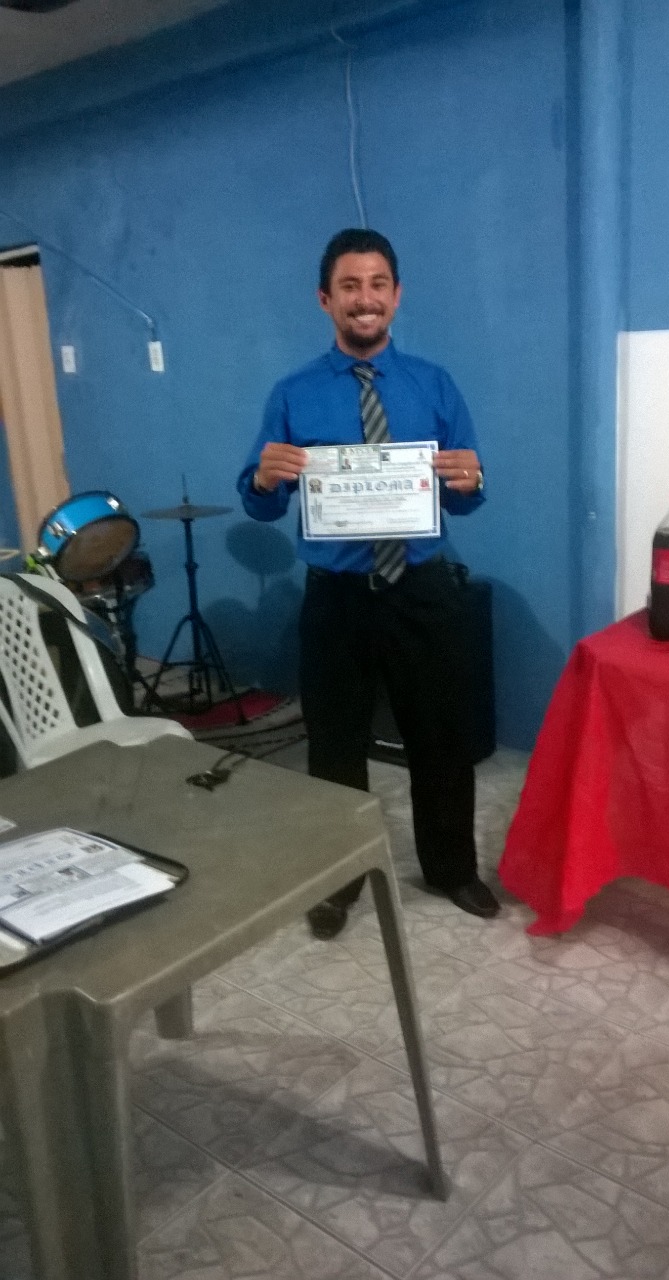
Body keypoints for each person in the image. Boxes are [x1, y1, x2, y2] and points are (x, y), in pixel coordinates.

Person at [238, 228, 499, 938]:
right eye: (349, 286)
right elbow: (261, 503)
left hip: (421, 590)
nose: (365, 298)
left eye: (377, 284)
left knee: (439, 738)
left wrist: (473, 480)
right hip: (337, 597)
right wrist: (261, 480)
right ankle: (339, 878)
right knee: (334, 746)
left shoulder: (434, 385)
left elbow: (466, 497)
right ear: (325, 299)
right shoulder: (292, 393)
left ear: (396, 295)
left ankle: (451, 869)